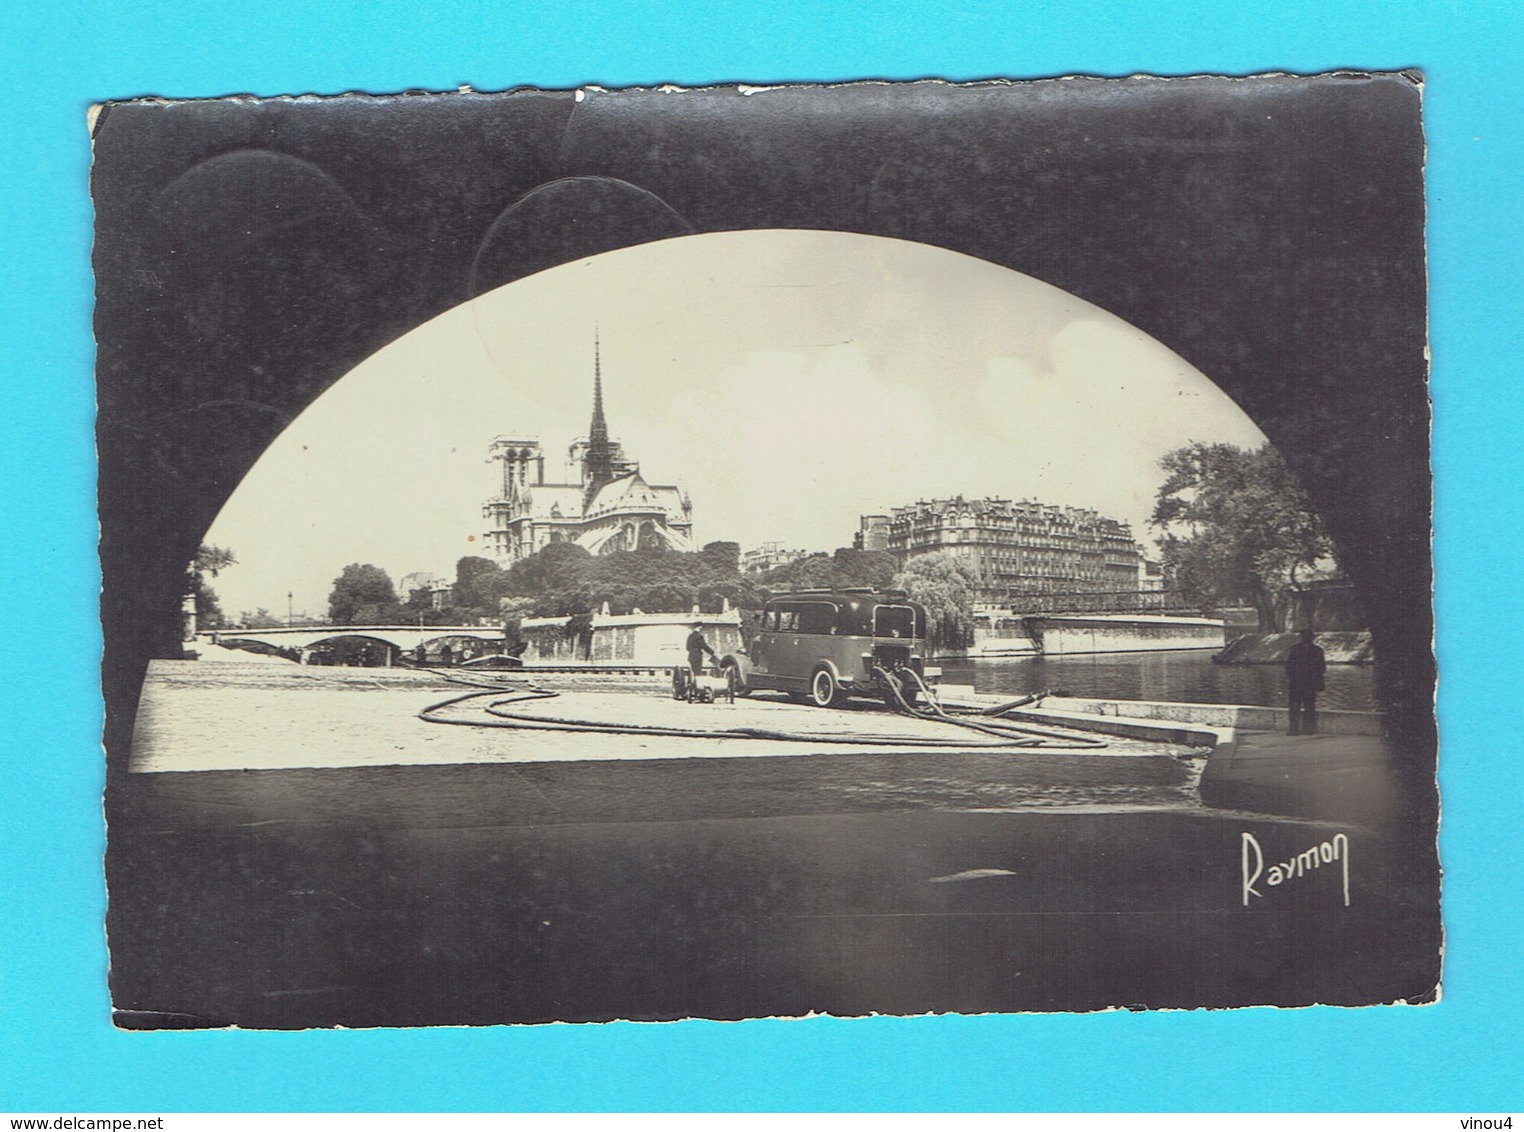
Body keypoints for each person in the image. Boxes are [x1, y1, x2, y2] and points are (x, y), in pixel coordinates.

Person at [1285, 628, 1326, 736]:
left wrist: (1290, 679)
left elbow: (1289, 667)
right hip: (1309, 683)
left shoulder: (1294, 649)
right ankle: (1308, 728)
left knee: (1295, 706)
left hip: (1297, 683)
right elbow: (1322, 668)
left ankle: (1294, 729)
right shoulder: (1317, 650)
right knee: (1309, 706)